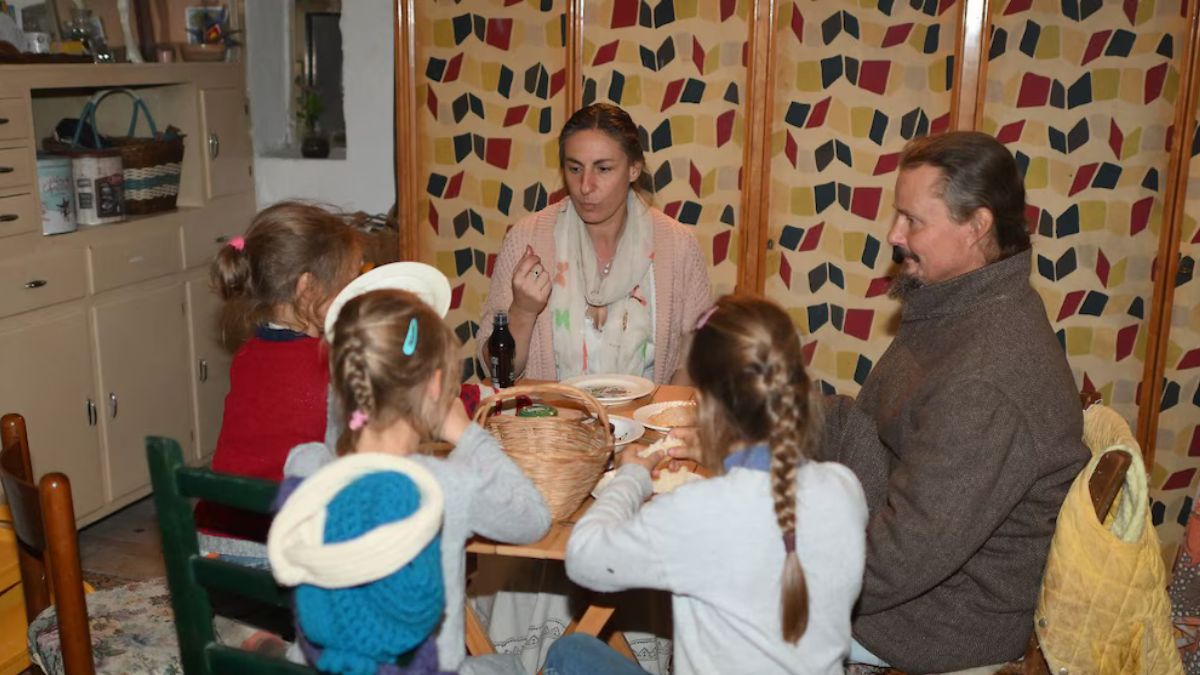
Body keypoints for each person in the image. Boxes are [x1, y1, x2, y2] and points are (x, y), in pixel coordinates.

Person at [809, 132, 1088, 672]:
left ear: (977, 226)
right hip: (893, 559)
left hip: (931, 622)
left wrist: (781, 570)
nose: (894, 234)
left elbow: (895, 563)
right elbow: (868, 426)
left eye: (913, 220)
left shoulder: (988, 377)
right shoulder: (953, 307)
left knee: (709, 587)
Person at [543, 295, 868, 675]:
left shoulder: (695, 510)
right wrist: (719, 451)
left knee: (570, 653)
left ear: (706, 403)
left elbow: (585, 558)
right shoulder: (845, 490)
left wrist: (632, 476)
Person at [284, 288, 552, 673]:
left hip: (323, 666)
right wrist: (466, 433)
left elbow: (336, 444)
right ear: (434, 387)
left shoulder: (304, 466)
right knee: (513, 666)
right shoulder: (447, 484)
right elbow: (533, 519)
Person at [478, 102, 711, 384]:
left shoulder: (677, 246)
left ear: (634, 169)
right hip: (548, 426)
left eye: (603, 169)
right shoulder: (527, 239)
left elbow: (697, 360)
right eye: (574, 168)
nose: (585, 186)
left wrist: (661, 420)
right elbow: (495, 370)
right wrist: (523, 311)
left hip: (646, 426)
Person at [193, 201, 363, 562]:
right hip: (278, 550)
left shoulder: (248, 355)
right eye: (348, 281)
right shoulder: (331, 363)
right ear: (308, 289)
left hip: (216, 542)